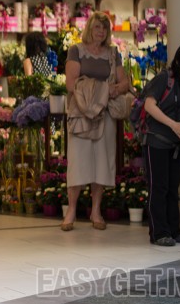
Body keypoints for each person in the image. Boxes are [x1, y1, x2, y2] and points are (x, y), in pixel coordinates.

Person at [61, 12, 130, 232]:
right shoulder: (76, 50)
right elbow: (71, 84)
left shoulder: (113, 53)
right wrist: (100, 90)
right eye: (97, 27)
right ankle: (71, 210)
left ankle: (96, 210)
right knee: (78, 160)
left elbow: (125, 82)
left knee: (102, 162)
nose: (101, 31)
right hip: (80, 113)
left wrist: (115, 89)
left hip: (105, 114)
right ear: (89, 28)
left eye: (105, 28)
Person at [142, 42, 180, 246]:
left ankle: (174, 230)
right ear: (179, 63)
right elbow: (149, 105)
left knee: (173, 188)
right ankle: (159, 233)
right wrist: (173, 125)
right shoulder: (164, 79)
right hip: (157, 141)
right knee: (158, 187)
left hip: (178, 145)